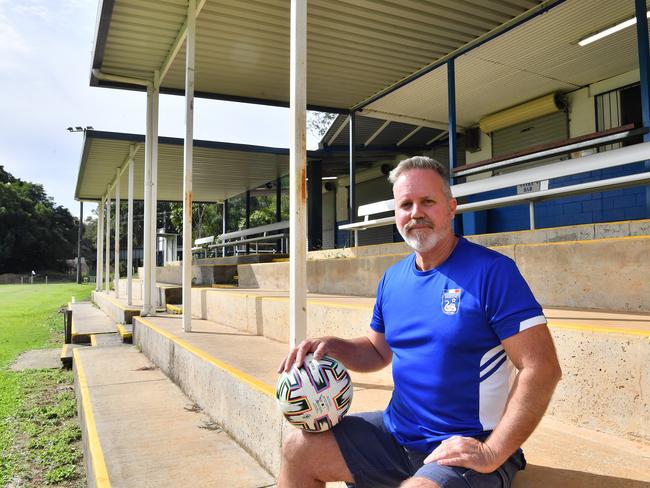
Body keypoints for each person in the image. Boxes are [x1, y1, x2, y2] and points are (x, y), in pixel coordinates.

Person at [277, 156, 562, 488]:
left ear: (451, 207)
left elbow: (542, 368)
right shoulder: (392, 279)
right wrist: (333, 346)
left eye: (428, 201)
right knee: (298, 449)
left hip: (466, 445)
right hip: (396, 434)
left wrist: (492, 451)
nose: (416, 213)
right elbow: (376, 352)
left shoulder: (493, 272)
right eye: (406, 204)